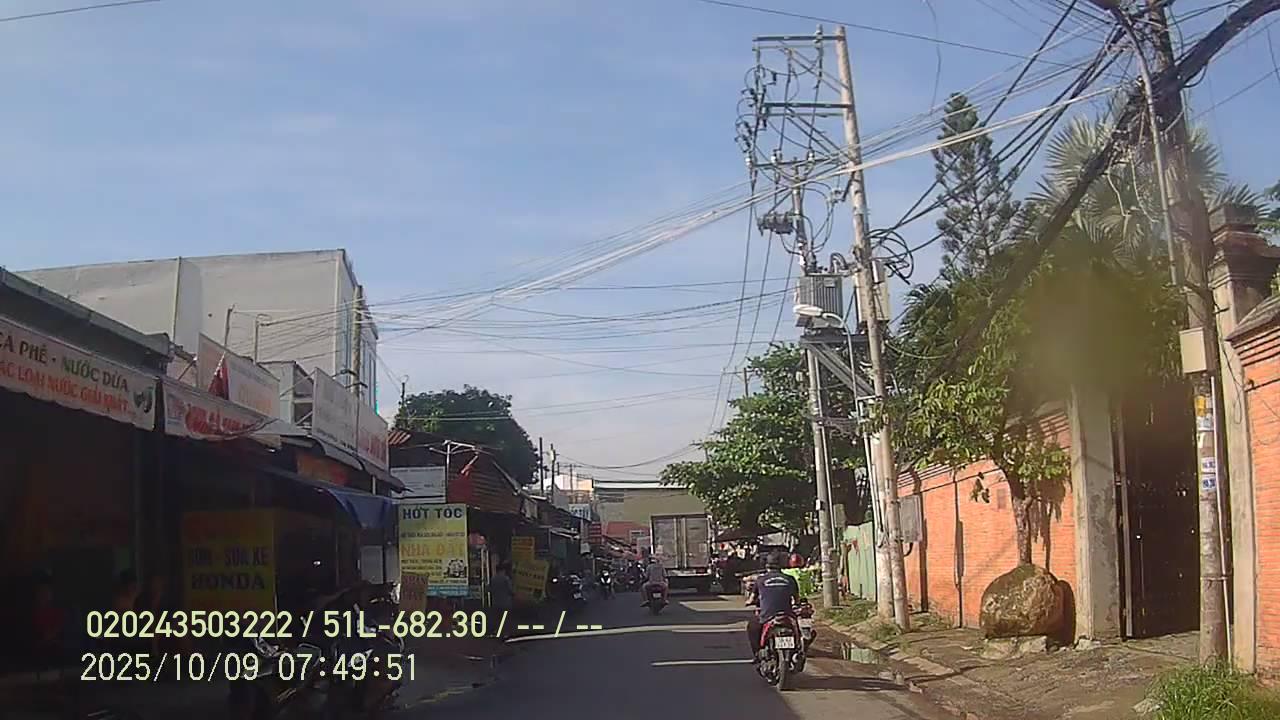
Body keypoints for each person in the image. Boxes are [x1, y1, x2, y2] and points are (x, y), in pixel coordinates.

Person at [746, 552, 800, 662]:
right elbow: (797, 599)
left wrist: (748, 602)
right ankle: (798, 651)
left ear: (767, 565)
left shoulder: (760, 580)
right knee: (797, 629)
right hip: (787, 616)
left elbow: (751, 599)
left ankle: (757, 654)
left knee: (752, 627)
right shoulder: (790, 579)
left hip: (767, 616)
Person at [489, 562, 514, 637]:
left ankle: (496, 631)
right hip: (505, 603)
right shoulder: (506, 579)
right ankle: (505, 633)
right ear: (502, 570)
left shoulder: (493, 579)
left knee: (497, 618)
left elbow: (489, 589)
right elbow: (510, 590)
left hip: (496, 602)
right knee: (506, 619)